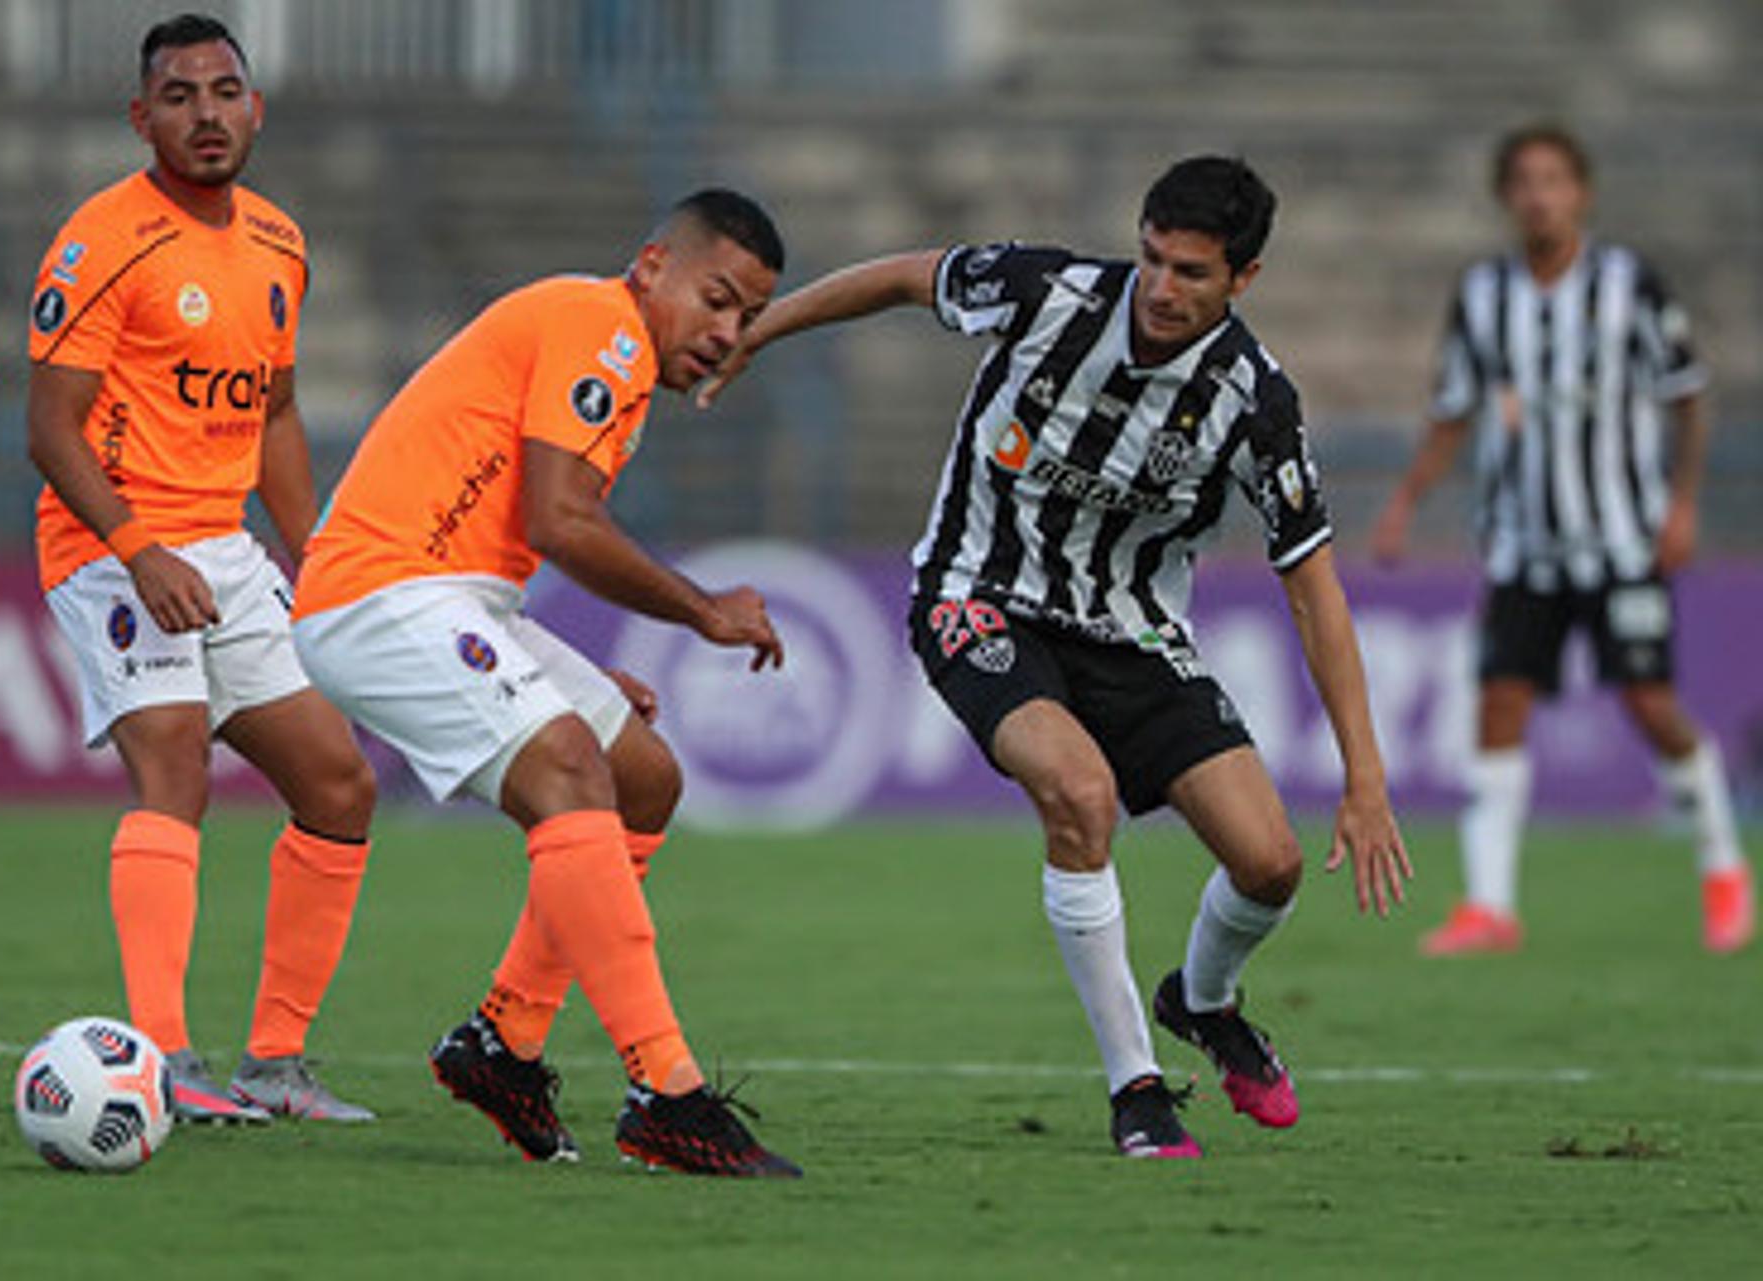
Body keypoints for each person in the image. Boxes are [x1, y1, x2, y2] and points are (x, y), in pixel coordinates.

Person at [700, 156, 1412, 1159]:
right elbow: (910, 276)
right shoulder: (1048, 294)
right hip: (978, 600)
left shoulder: (1256, 401)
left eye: (1193, 273)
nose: (1162, 289)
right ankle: (1137, 1090)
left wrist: (1366, 778)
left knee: (1270, 863)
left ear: (1243, 280)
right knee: (1078, 795)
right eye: (1154, 259)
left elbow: (1316, 588)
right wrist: (758, 335)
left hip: (1132, 632)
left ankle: (1202, 1003)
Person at [290, 189, 800, 1178]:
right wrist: (702, 609)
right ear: (653, 265)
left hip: (457, 603)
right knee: (568, 767)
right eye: (718, 299)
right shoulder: (599, 325)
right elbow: (563, 522)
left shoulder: (613, 359)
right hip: (377, 594)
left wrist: (549, 661)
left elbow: (509, 539)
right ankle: (669, 1093)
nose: (728, 333)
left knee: (641, 776)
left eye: (747, 318)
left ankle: (504, 1043)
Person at [26, 14, 379, 1123]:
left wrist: (315, 552)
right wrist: (138, 550)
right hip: (109, 545)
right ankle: (164, 1061)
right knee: (174, 761)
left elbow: (273, 413)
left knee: (338, 783)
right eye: (179, 97)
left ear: (256, 107)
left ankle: (275, 1067)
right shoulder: (103, 241)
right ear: (143, 118)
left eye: (225, 91)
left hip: (226, 549)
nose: (207, 114)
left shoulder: (278, 242)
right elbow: (51, 428)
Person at [1372, 124, 1753, 956]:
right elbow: (1453, 410)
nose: (1539, 195)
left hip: (1621, 542)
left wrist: (1681, 506)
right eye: (1524, 181)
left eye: (1554, 179)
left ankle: (1724, 866)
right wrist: (1405, 499)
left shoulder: (1630, 285)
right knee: (1499, 703)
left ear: (1580, 191)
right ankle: (1489, 903)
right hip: (1522, 545)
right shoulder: (1482, 294)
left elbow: (1688, 396)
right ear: (1506, 195)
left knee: (1651, 705)